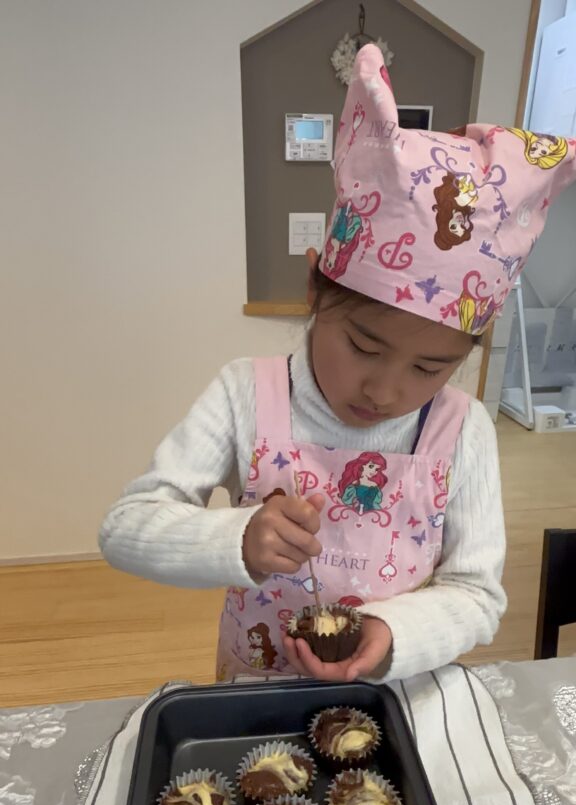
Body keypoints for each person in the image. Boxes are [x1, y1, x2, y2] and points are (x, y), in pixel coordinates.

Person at [99, 45, 576, 685]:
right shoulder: (246, 394)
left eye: (429, 368)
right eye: (364, 347)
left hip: (393, 696)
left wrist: (392, 632)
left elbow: (477, 594)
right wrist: (237, 539)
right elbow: (125, 528)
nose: (384, 390)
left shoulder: (462, 431)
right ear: (315, 292)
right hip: (255, 692)